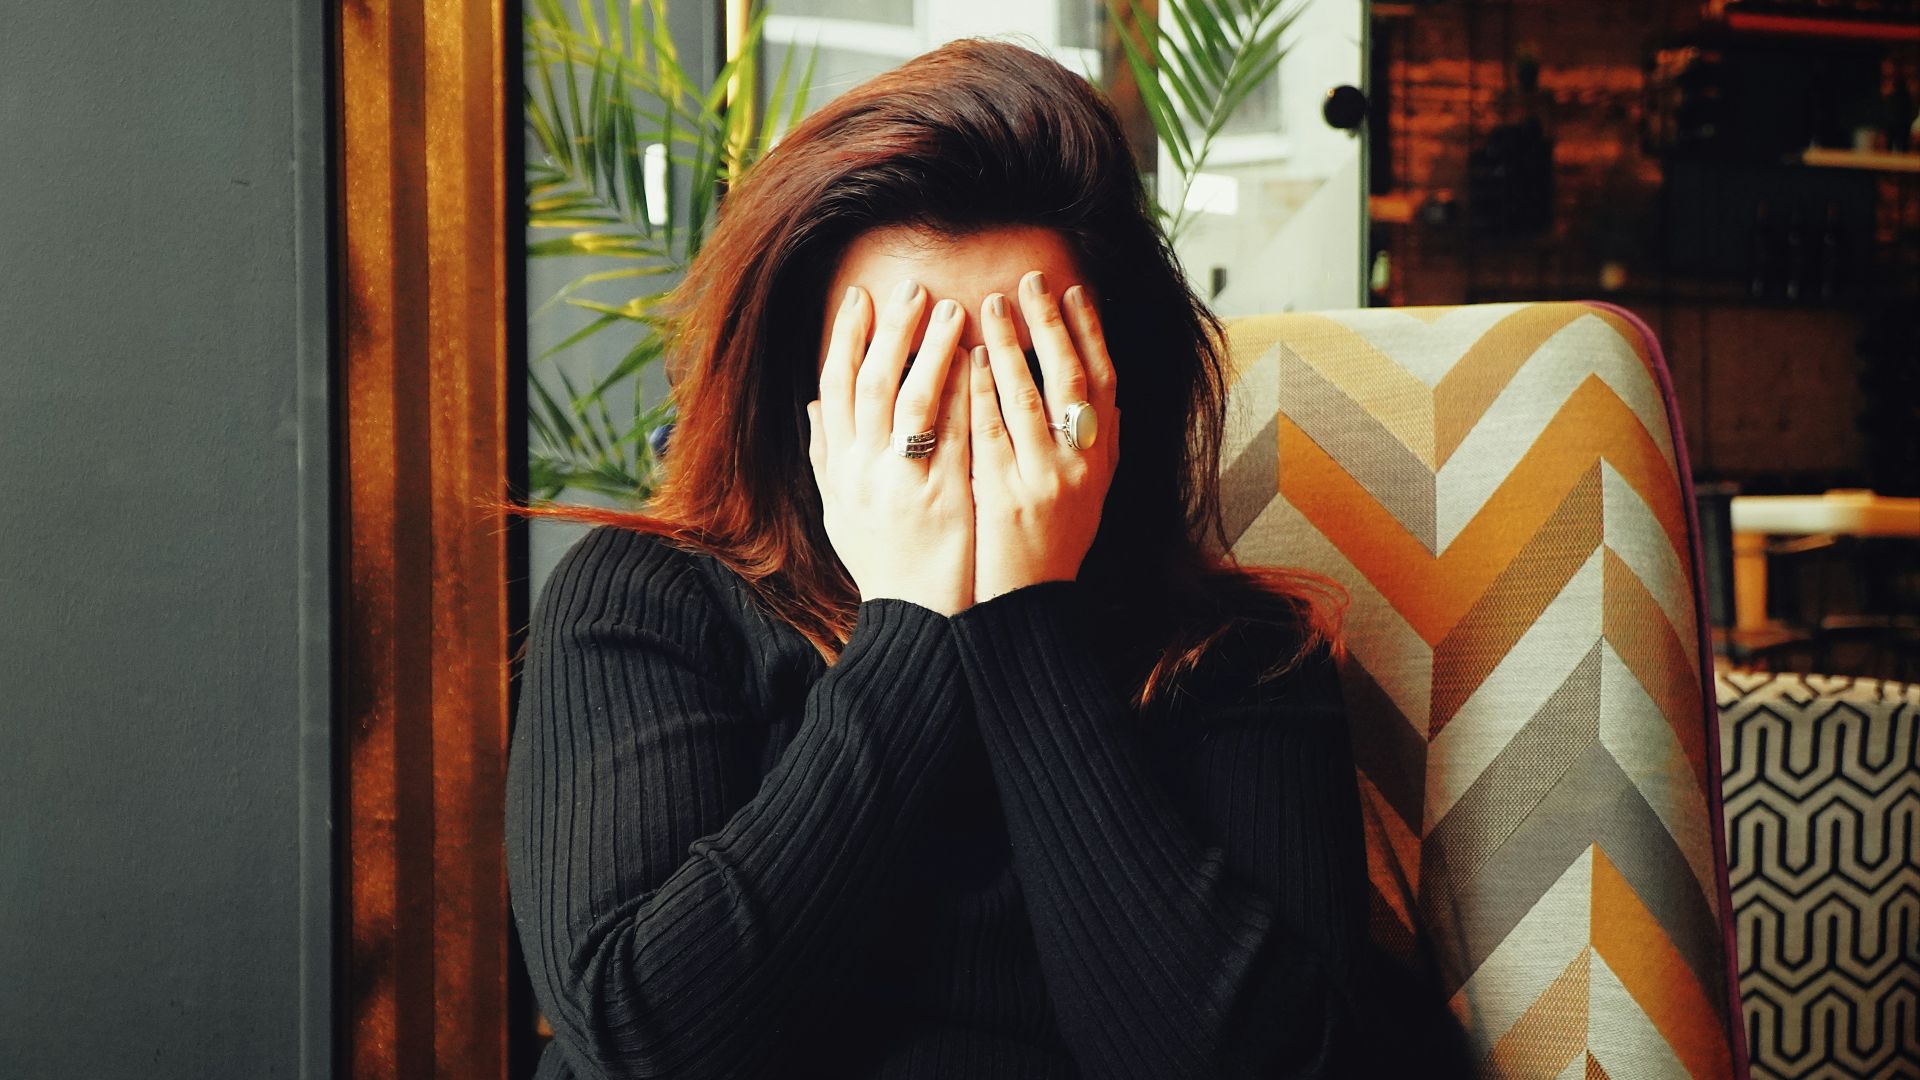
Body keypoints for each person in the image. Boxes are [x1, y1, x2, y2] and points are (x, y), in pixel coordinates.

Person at [504, 37, 1473, 1080]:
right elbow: (646, 1045)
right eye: (904, 367)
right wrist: (913, 615)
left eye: (1020, 365)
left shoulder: (1239, 660)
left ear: (1112, 389)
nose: (965, 414)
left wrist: (1021, 616)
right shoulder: (647, 605)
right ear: (807, 393)